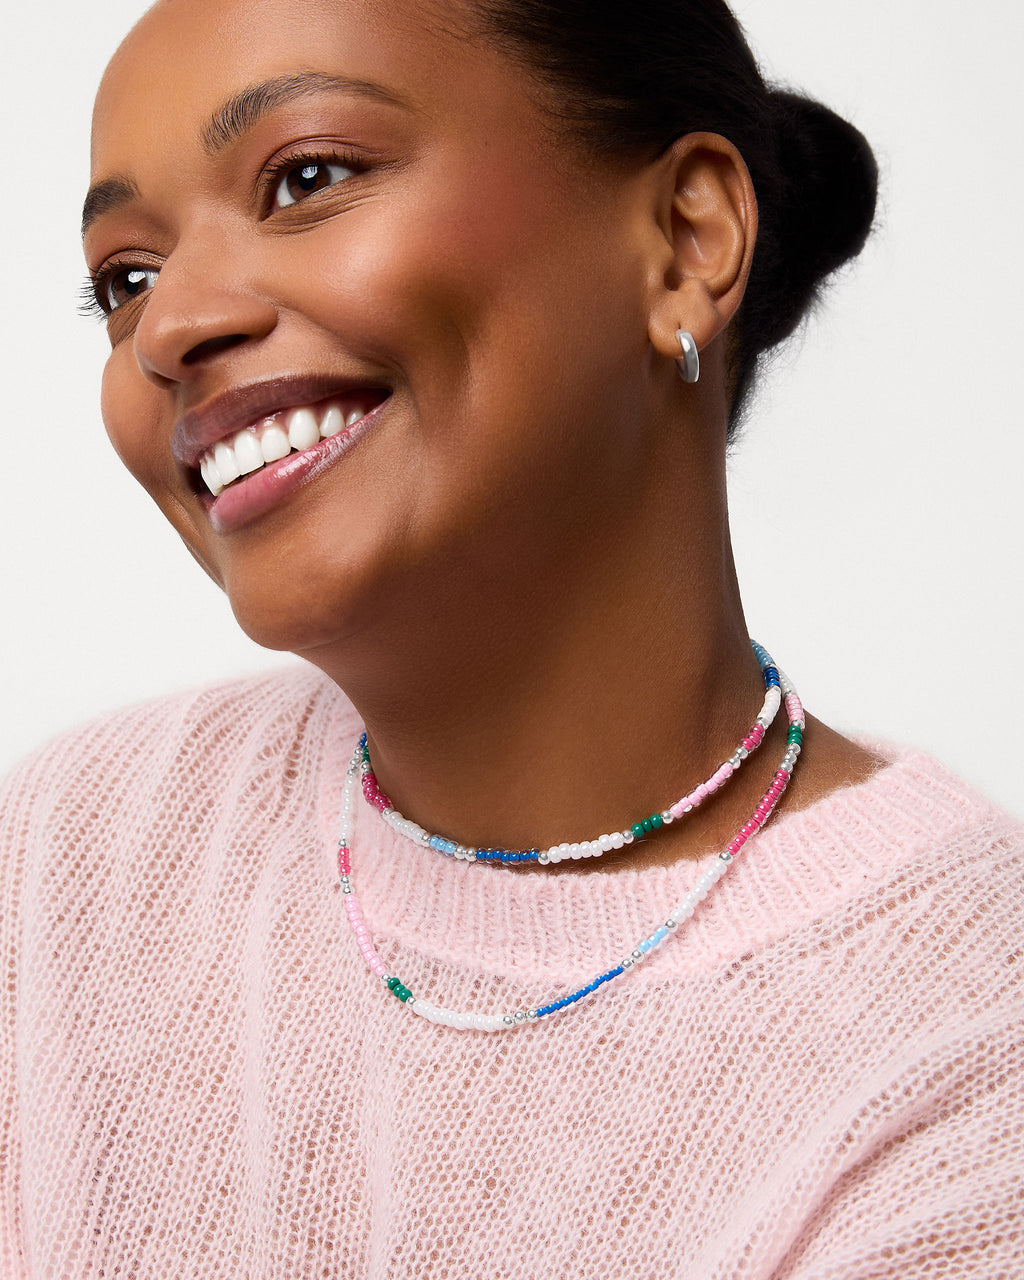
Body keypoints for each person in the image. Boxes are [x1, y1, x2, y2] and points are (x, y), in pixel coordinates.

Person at [1, 0, 1021, 1275]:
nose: (167, 329)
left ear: (685, 238)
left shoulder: (964, 1045)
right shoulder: (75, 861)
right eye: (125, 278)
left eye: (307, 177)